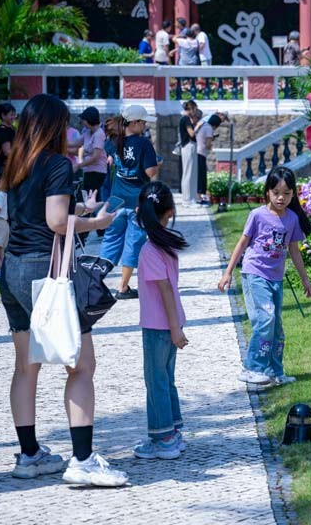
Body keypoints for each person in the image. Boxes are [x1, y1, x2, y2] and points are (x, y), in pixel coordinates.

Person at [0, 93, 124, 487]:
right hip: (45, 269)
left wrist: (80, 210)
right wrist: (96, 223)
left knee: (26, 366)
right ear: (54, 126)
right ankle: (83, 460)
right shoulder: (56, 163)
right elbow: (55, 221)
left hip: (13, 268)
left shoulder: (16, 163)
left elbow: (34, 213)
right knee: (81, 365)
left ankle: (29, 454)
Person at [218, 167, 311, 385]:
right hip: (255, 273)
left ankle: (274, 371)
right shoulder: (257, 215)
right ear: (267, 191)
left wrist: (305, 279)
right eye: (276, 192)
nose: (281, 198)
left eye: (287, 193)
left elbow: (294, 251)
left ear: (293, 194)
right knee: (266, 318)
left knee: (276, 327)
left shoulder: (291, 219)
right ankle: (252, 368)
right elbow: (242, 243)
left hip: (276, 278)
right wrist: (228, 272)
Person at [132, 182, 189, 460]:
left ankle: (163, 439)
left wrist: (174, 329)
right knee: (166, 379)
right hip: (170, 322)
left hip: (158, 326)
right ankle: (173, 432)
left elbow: (165, 290)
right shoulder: (166, 244)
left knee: (156, 382)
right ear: (169, 212)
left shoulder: (150, 250)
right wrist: (176, 326)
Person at [101, 104, 159, 299]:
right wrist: (157, 164)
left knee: (111, 239)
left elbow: (112, 159)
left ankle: (95, 280)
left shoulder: (112, 142)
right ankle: (123, 287)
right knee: (133, 242)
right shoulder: (143, 144)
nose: (145, 125)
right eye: (143, 122)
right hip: (137, 200)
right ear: (134, 122)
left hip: (115, 199)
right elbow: (150, 172)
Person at [194, 112, 228, 206]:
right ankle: (198, 198)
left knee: (198, 176)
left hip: (196, 152)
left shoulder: (204, 126)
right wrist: (211, 146)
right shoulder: (209, 128)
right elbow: (208, 144)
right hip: (201, 153)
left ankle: (198, 197)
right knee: (201, 177)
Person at [178, 100, 198, 204]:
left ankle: (192, 198)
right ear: (190, 108)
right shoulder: (186, 119)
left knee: (191, 173)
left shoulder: (185, 119)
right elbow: (191, 133)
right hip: (188, 146)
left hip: (189, 146)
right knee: (188, 173)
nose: (195, 112)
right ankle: (187, 199)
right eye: (194, 109)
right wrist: (198, 125)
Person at [0, 103, 17, 172]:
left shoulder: (11, 129)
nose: (14, 117)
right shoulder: (3, 131)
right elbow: (7, 152)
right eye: (11, 115)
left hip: (10, 165)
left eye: (14, 115)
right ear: (3, 116)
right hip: (4, 167)